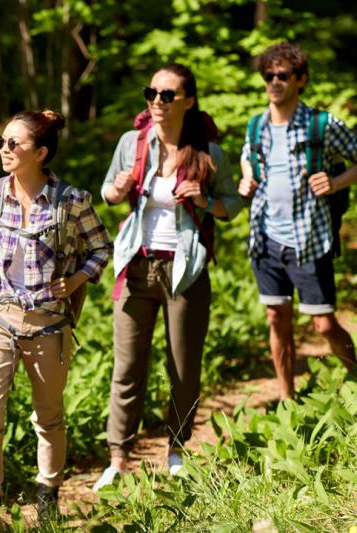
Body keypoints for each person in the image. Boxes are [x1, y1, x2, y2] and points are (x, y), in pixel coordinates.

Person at [93, 63, 242, 491]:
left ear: (188, 101)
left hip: (185, 269)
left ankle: (176, 451)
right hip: (137, 267)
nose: (157, 101)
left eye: (167, 94)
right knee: (127, 366)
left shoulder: (209, 152)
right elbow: (108, 190)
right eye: (152, 93)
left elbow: (231, 205)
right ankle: (118, 458)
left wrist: (206, 198)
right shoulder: (131, 143)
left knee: (183, 367)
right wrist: (116, 190)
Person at [0, 110, 113, 532]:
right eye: (2, 141)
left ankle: (47, 495)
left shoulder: (72, 201)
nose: (5, 150)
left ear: (42, 152)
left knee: (48, 416)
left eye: (15, 144)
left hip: (49, 324)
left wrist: (78, 279)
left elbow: (101, 249)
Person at [238, 42, 357, 399]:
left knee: (322, 324)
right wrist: (247, 176)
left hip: (309, 238)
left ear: (300, 79)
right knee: (277, 319)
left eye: (282, 75)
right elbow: (248, 156)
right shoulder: (257, 124)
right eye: (268, 75)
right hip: (265, 238)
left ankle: (355, 372)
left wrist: (335, 182)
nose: (273, 82)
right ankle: (288, 400)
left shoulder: (322, 124)